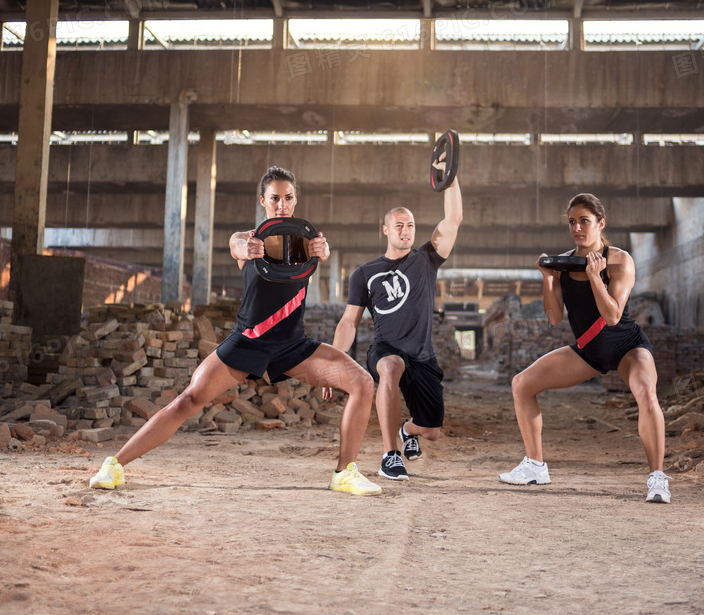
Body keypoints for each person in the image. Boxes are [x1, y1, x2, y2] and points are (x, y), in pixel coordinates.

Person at [90, 166, 381, 496]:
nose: (282, 205)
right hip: (250, 342)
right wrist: (246, 249)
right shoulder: (248, 239)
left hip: (293, 345)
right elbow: (237, 245)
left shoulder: (309, 242)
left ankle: (344, 473)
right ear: (262, 200)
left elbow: (321, 251)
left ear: (295, 200)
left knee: (362, 382)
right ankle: (114, 465)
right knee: (189, 400)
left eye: (288, 198)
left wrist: (323, 251)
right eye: (274, 199)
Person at [499, 193, 671, 503]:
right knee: (521, 384)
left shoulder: (620, 260)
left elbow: (613, 315)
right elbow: (553, 318)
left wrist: (594, 277)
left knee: (646, 394)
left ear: (600, 224)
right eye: (572, 222)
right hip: (588, 350)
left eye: (585, 221)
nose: (577, 228)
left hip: (627, 347)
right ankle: (535, 466)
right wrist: (548, 278)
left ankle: (657, 478)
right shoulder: (563, 264)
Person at [331, 164, 462, 481]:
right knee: (389, 368)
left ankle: (407, 430)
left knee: (431, 431)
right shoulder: (365, 273)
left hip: (423, 355)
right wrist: (333, 363)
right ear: (386, 230)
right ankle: (391, 456)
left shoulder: (426, 259)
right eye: (399, 225)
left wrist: (451, 176)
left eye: (411, 225)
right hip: (386, 347)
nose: (406, 230)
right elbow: (349, 321)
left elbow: (453, 219)